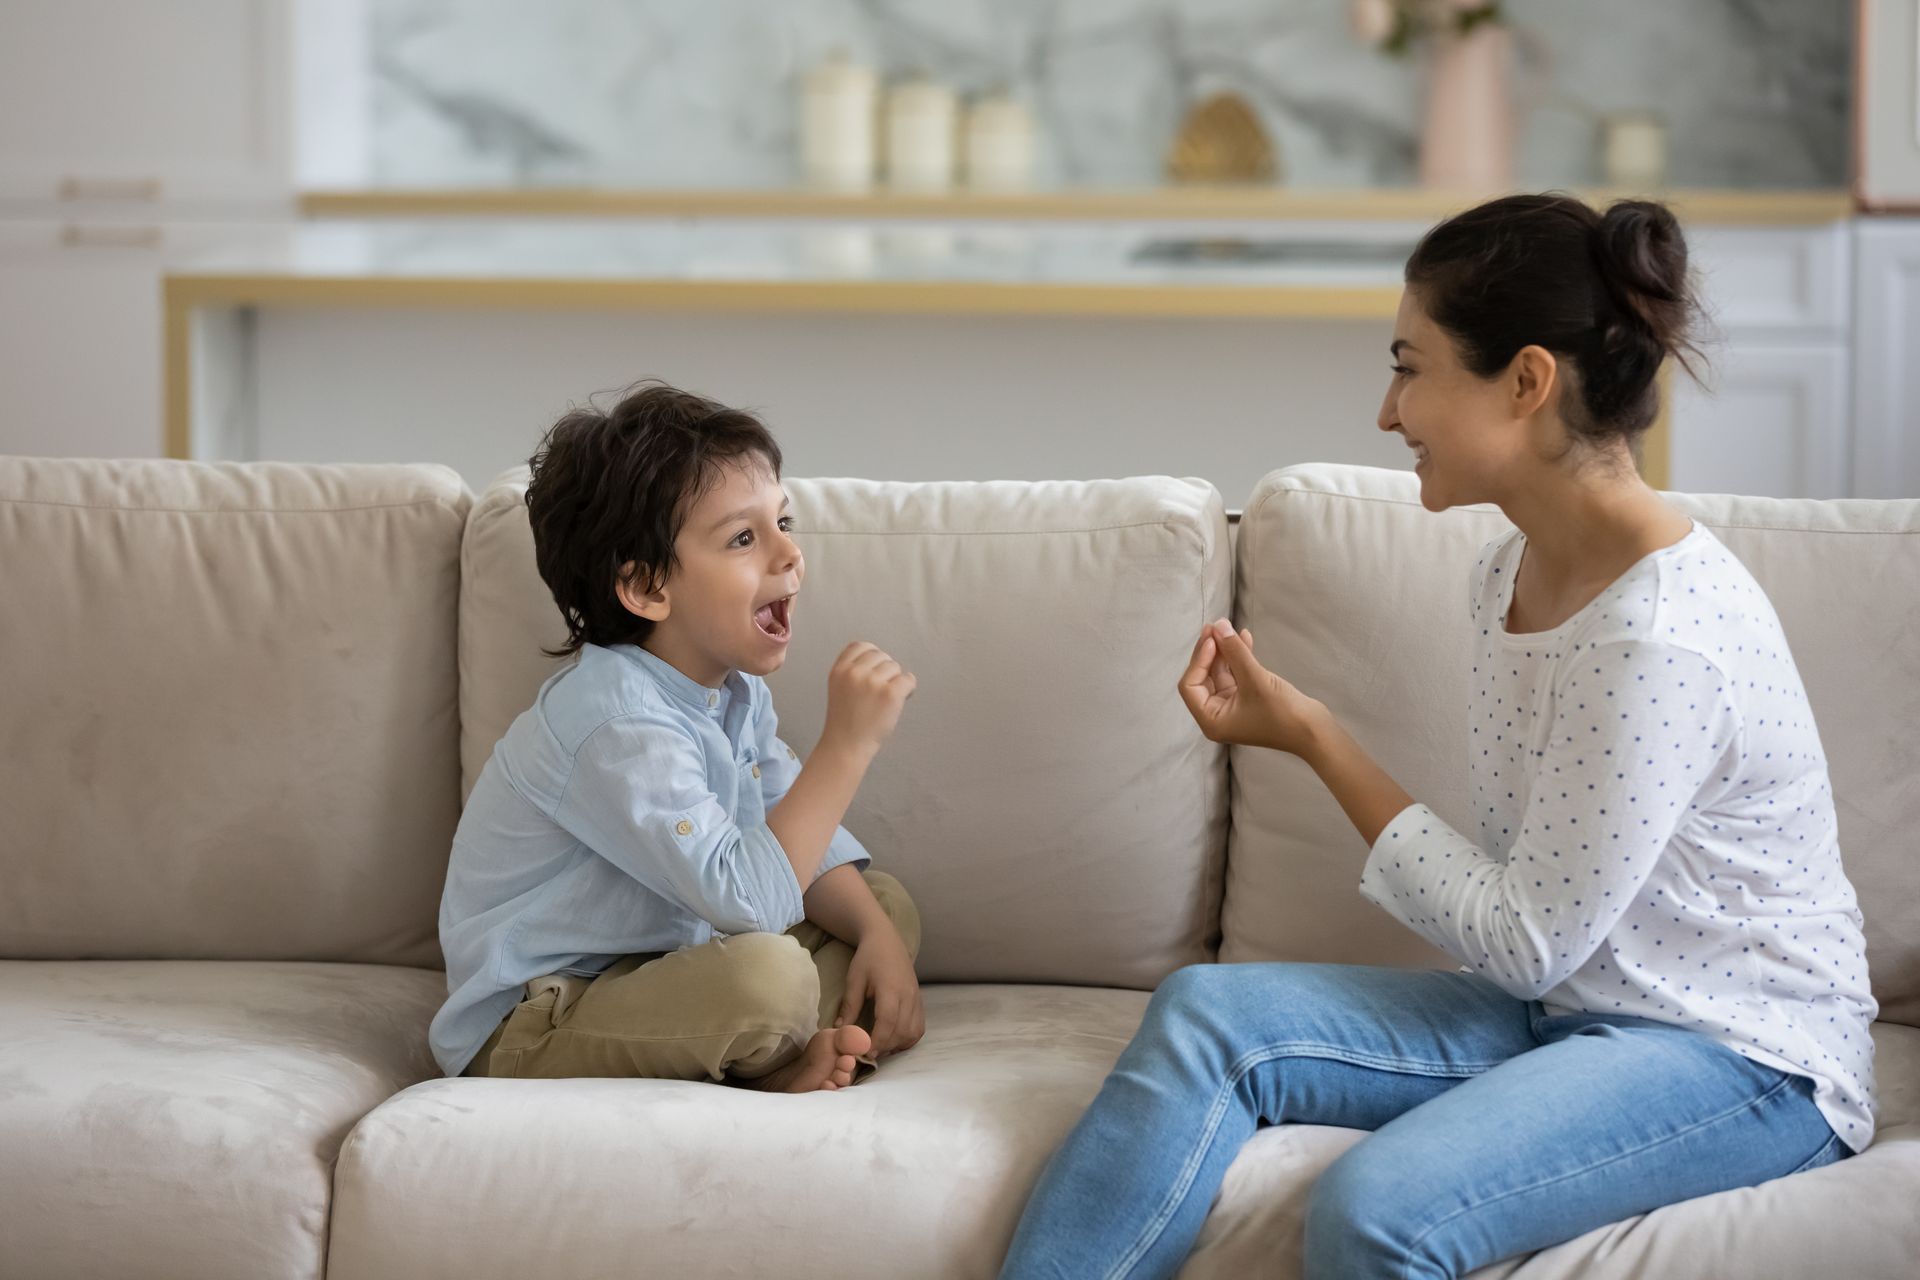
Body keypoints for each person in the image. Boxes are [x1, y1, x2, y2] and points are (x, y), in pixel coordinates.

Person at [998, 195, 1877, 1279]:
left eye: (1411, 367)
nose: (1385, 410)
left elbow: (1521, 935)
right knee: (1209, 1016)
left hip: (1742, 1054)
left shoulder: (1661, 640)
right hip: (1564, 1007)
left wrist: (1317, 735)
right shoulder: (1506, 572)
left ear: (1525, 381)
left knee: (1378, 1209)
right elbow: (1542, 947)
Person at [429, 382, 924, 1093]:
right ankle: (774, 1057)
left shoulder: (735, 690)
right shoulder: (615, 720)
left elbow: (796, 847)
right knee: (769, 975)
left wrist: (877, 936)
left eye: (783, 521)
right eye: (744, 539)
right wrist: (847, 747)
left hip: (663, 976)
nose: (789, 554)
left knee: (881, 906)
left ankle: (777, 1054)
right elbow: (748, 899)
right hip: (537, 1023)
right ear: (647, 588)